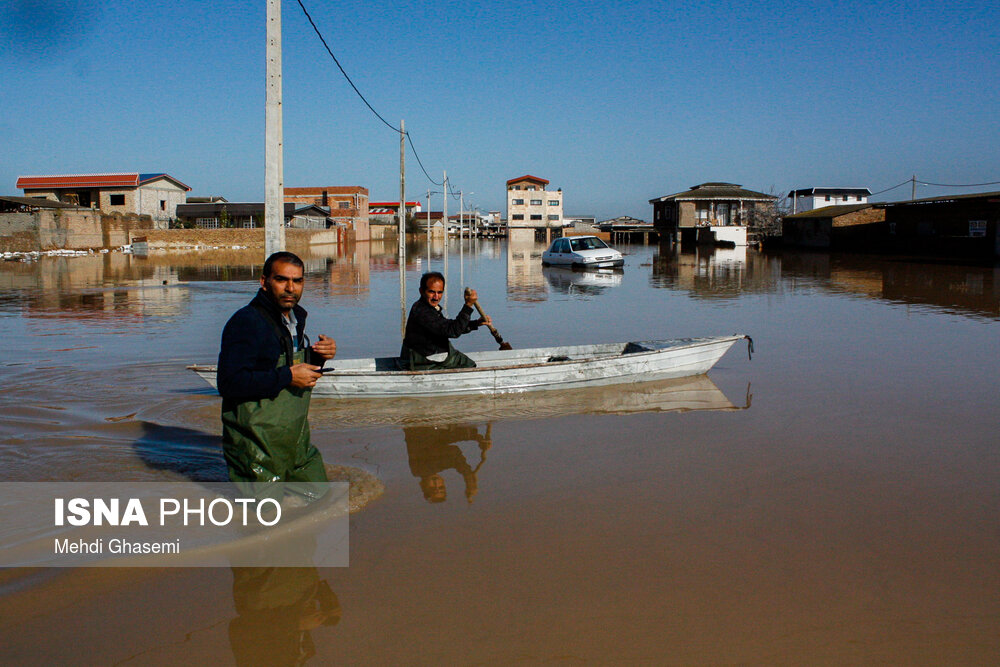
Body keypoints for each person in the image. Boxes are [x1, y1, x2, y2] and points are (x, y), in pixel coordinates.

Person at [217, 251, 336, 491]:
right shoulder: (247, 322)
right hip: (256, 446)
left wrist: (319, 357)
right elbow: (229, 383)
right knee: (267, 521)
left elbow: (284, 366)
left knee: (323, 499)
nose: (291, 288)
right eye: (282, 280)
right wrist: (289, 376)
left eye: (298, 280)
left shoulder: (296, 318)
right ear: (264, 282)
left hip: (295, 440)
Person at [400, 271, 491, 370]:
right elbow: (453, 332)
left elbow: (448, 327)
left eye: (439, 292)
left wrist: (475, 324)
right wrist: (468, 306)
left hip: (425, 355)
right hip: (423, 360)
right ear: (421, 291)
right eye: (431, 292)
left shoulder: (427, 307)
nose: (436, 297)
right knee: (468, 364)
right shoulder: (423, 312)